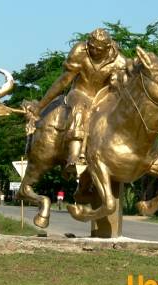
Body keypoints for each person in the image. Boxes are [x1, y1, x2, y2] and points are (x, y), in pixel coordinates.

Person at [28, 28, 132, 175]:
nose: (94, 50)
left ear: (108, 48)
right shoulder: (80, 51)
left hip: (103, 98)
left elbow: (123, 87)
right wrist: (40, 106)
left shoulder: (119, 61)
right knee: (79, 109)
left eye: (99, 49)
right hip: (80, 93)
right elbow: (64, 80)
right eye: (91, 46)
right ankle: (74, 156)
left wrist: (118, 81)